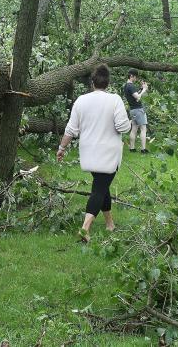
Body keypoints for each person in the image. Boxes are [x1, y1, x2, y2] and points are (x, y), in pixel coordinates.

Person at [56, 65, 131, 242]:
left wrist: (62, 148)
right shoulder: (115, 100)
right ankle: (85, 229)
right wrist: (129, 122)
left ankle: (110, 224)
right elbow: (122, 127)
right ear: (108, 83)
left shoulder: (81, 100)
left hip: (89, 153)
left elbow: (71, 129)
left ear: (92, 82)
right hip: (108, 153)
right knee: (99, 189)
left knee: (101, 186)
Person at [123, 69, 149, 153]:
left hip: (132, 110)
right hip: (138, 110)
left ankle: (132, 148)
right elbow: (137, 97)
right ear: (131, 76)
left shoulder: (126, 86)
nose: (136, 79)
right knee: (143, 129)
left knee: (134, 128)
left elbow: (135, 96)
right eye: (135, 77)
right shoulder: (131, 86)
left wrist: (141, 89)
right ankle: (143, 149)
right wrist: (144, 89)